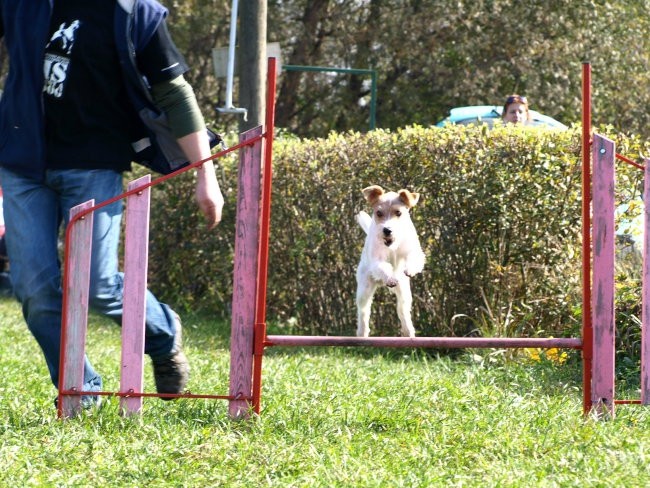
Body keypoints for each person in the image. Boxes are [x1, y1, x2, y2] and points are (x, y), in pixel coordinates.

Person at [0, 1, 224, 408]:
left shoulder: (135, 13)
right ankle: (81, 392)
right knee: (33, 289)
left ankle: (161, 330)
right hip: (23, 161)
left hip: (93, 164)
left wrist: (204, 174)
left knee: (96, 285)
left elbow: (173, 92)